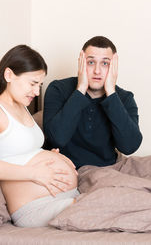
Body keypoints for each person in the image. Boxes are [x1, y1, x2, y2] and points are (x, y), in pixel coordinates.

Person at [0, 45, 78, 228]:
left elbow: (18, 150)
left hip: (62, 197)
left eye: (40, 85)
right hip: (35, 209)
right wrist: (35, 172)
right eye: (33, 83)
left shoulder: (22, 106)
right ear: (9, 75)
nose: (37, 92)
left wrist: (49, 155)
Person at [43, 36, 143, 169]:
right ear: (81, 63)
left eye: (105, 63)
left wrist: (111, 93)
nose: (97, 70)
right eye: (91, 62)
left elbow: (129, 146)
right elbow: (56, 139)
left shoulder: (124, 98)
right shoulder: (58, 89)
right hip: (65, 168)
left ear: (114, 66)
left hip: (105, 171)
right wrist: (81, 89)